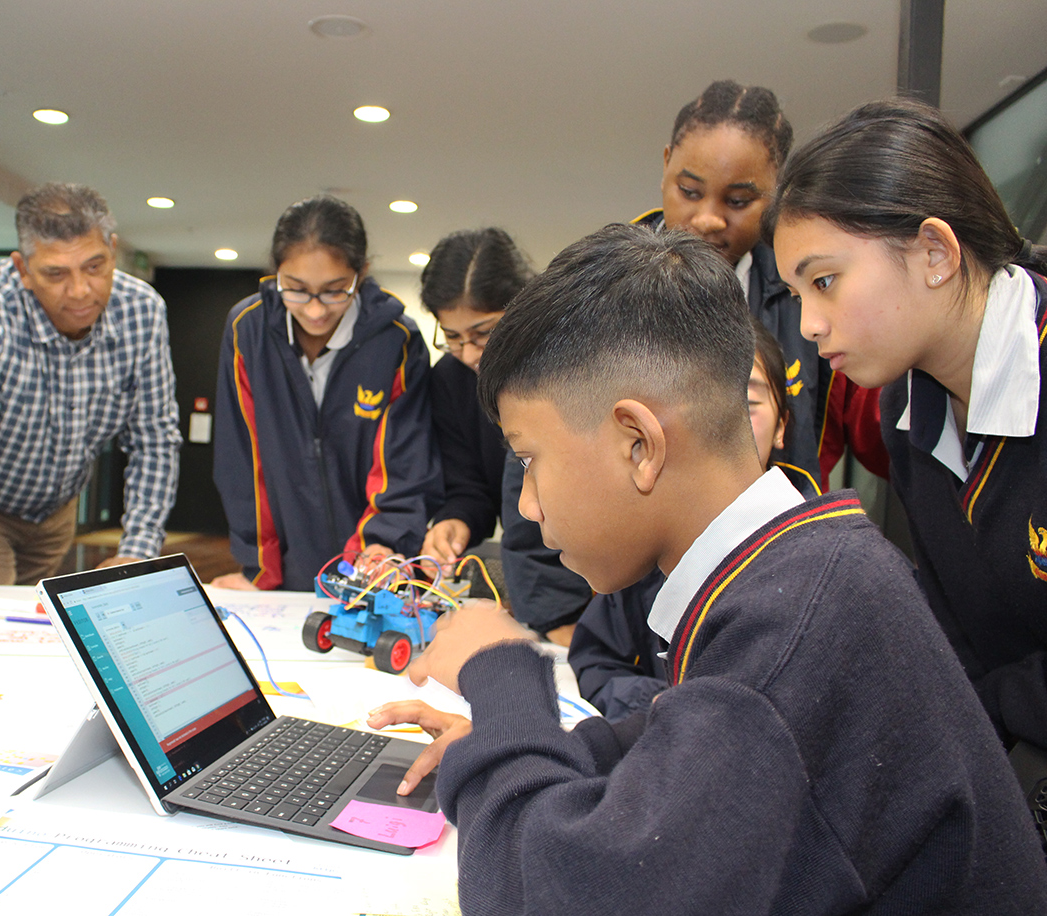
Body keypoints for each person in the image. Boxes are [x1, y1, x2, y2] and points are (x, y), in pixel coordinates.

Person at [368, 225, 1047, 914]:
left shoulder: (789, 636)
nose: (528, 505)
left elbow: (555, 896)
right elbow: (672, 747)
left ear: (639, 444)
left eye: (530, 459)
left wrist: (504, 678)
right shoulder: (812, 567)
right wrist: (516, 748)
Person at [500, 79, 886, 644]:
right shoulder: (603, 286)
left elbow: (874, 437)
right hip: (624, 606)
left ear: (777, 191)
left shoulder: (808, 298)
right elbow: (536, 455)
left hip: (775, 586)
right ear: (665, 166)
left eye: (738, 200)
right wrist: (559, 621)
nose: (707, 219)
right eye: (689, 189)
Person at [769, 98, 1047, 754]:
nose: (809, 325)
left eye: (826, 281)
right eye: (798, 295)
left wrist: (984, 707)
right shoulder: (904, 415)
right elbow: (959, 636)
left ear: (933, 252)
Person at [0, 183, 181, 620]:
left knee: (41, 633)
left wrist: (137, 551)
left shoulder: (143, 311)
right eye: (56, 274)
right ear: (23, 269)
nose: (81, 291)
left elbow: (154, 439)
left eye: (94, 266)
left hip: (57, 513)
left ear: (112, 249)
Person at [568, 318, 819, 721]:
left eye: (749, 405)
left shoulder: (827, 555)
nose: (726, 423)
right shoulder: (651, 536)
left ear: (782, 427)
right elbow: (597, 661)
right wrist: (655, 704)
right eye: (708, 404)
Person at [212, 195, 441, 592]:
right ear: (276, 275)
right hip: (282, 567)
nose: (315, 311)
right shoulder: (247, 330)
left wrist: (377, 549)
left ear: (362, 273)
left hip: (374, 567)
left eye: (335, 290)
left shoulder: (396, 341)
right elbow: (242, 462)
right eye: (296, 290)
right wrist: (258, 569)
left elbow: (405, 463)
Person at [417, 228, 532, 571]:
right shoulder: (451, 379)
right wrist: (457, 520)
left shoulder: (559, 366)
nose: (468, 354)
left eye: (483, 333)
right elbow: (469, 486)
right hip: (527, 570)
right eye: (452, 337)